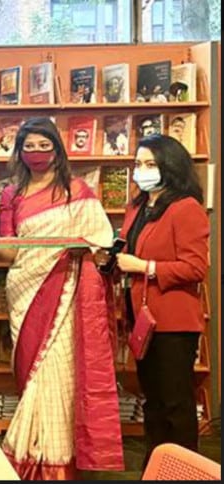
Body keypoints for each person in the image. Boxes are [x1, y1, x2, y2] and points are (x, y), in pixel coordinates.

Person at [0, 117, 123, 479]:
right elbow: (11, 253)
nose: (36, 153)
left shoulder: (76, 191)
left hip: (65, 292)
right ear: (19, 151)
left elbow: (99, 240)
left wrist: (77, 251)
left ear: (57, 149)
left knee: (59, 375)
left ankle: (57, 456)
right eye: (28, 146)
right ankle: (33, 451)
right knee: (31, 373)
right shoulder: (11, 193)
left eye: (43, 145)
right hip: (26, 291)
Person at [115, 134, 208, 466]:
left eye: (150, 164)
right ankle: (156, 467)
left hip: (173, 322)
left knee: (175, 404)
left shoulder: (186, 208)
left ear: (169, 166)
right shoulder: (138, 206)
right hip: (141, 319)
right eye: (138, 164)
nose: (142, 171)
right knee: (153, 402)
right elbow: (129, 247)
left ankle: (183, 469)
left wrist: (145, 268)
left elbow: (196, 267)